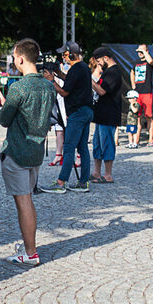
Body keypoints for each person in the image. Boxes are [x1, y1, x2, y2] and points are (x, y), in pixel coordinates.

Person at [0, 38, 57, 266]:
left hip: (18, 150)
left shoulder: (18, 87)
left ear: (19, 57)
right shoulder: (48, 86)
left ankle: (30, 252)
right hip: (37, 151)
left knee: (24, 202)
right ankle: (29, 245)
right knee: (27, 199)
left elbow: (5, 119)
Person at [42, 42, 93, 193]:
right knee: (83, 147)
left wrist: (51, 81)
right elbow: (71, 82)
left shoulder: (75, 69)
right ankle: (83, 182)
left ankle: (61, 182)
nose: (63, 57)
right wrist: (58, 73)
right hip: (86, 111)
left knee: (69, 147)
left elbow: (64, 92)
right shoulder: (82, 67)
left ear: (71, 54)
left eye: (64, 54)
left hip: (77, 113)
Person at [89, 47, 127, 183]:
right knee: (97, 144)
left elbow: (102, 91)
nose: (98, 64)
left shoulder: (113, 73)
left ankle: (108, 174)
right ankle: (97, 172)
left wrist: (91, 80)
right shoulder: (107, 72)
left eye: (99, 61)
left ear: (106, 58)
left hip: (109, 115)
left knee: (107, 144)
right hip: (101, 115)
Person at [131, 43, 153, 146]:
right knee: (138, 117)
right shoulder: (136, 62)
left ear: (147, 51)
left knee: (149, 116)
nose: (140, 53)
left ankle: (151, 139)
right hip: (138, 93)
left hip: (147, 92)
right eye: (138, 51)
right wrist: (133, 84)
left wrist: (145, 52)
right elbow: (132, 72)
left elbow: (151, 61)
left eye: (142, 51)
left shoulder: (149, 61)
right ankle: (136, 140)